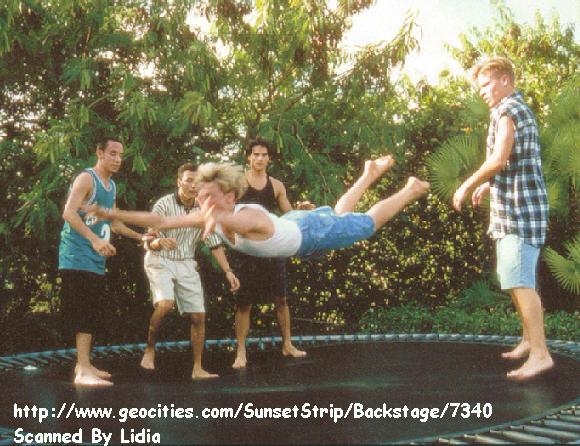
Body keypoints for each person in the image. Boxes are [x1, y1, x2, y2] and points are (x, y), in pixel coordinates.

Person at [89, 154, 430, 262]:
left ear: (229, 197)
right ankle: (368, 174)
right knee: (339, 217)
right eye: (201, 197)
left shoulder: (245, 216)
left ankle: (409, 189)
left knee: (367, 224)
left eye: (210, 197)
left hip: (309, 233)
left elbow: (228, 224)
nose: (203, 203)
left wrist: (209, 220)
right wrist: (112, 214)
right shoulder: (211, 214)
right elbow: (160, 220)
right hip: (295, 224)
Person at [452, 57, 553, 381]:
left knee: (518, 280)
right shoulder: (515, 109)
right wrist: (488, 185)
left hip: (519, 212)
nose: (482, 91)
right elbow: (513, 162)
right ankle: (529, 340)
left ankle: (540, 354)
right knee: (515, 278)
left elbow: (499, 159)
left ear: (505, 80)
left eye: (487, 84)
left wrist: (467, 185)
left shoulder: (508, 110)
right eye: (480, 86)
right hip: (516, 209)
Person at [141, 163, 240, 379]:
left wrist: (228, 271)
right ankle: (150, 348)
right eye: (188, 180)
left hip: (186, 262)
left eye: (197, 182)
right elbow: (147, 240)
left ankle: (197, 368)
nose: (193, 185)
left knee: (199, 316)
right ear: (179, 182)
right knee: (165, 304)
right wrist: (159, 242)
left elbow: (214, 244)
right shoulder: (164, 204)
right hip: (160, 259)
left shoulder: (204, 209)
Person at [58, 137, 143, 386]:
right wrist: (95, 239)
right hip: (76, 255)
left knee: (92, 312)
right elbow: (68, 212)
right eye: (113, 153)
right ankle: (83, 370)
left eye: (121, 155)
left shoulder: (111, 186)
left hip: (96, 258)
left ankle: (84, 363)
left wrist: (141, 237)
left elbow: (114, 223)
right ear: (100, 153)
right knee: (84, 312)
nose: (117, 159)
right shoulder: (87, 179)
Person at [229, 140, 306, 369]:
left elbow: (290, 216)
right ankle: (241, 351)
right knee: (244, 304)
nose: (260, 158)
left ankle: (287, 344)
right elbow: (226, 213)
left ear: (269, 158)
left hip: (272, 249)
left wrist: (302, 211)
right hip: (246, 251)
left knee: (281, 299)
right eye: (256, 154)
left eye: (264, 155)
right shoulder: (238, 183)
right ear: (248, 157)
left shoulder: (277, 186)